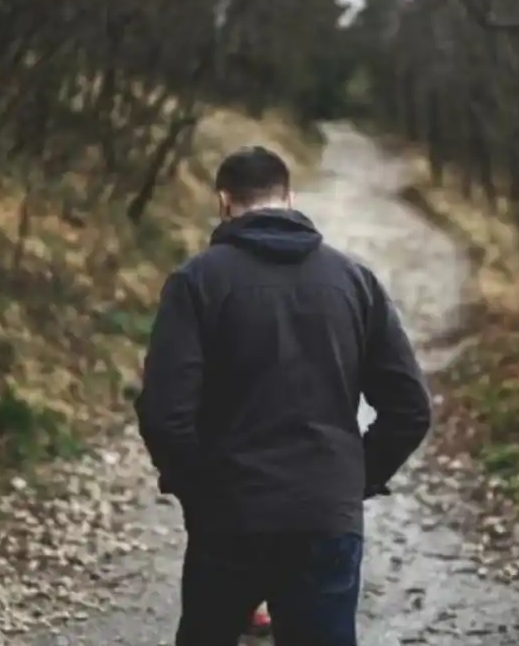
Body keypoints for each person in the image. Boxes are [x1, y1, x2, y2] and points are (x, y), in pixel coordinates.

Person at [135, 145, 432, 646]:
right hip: (325, 513)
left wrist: (201, 493)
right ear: (290, 198)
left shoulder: (196, 282)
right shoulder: (354, 281)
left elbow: (165, 414)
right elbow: (410, 409)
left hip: (230, 516)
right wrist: (354, 478)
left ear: (224, 202)